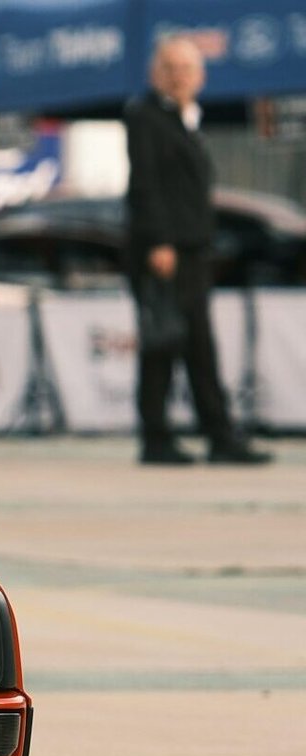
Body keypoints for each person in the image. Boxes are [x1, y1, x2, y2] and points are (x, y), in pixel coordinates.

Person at [124, 37, 269, 466]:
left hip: (191, 251)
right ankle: (157, 438)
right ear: (155, 73)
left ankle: (218, 434)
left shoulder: (187, 118)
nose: (179, 76)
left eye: (187, 69)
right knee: (161, 345)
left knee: (199, 348)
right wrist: (159, 242)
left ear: (201, 77)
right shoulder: (144, 115)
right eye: (171, 68)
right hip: (164, 253)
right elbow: (145, 185)